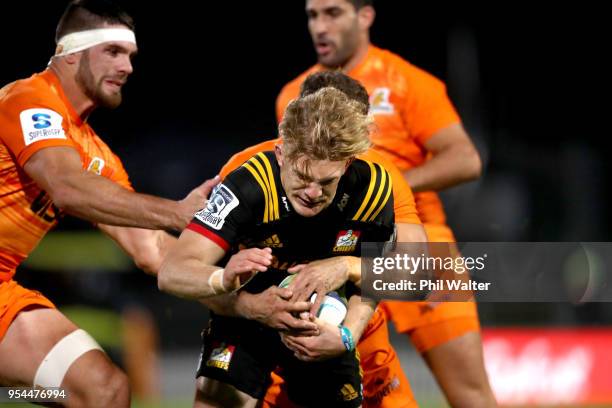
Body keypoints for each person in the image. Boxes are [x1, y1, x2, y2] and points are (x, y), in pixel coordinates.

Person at [275, 1, 496, 407]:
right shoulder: (294, 95)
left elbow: (465, 158)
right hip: (336, 252)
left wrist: (385, 192)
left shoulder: (408, 82)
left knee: (470, 395)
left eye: (332, 13)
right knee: (353, 394)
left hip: (421, 246)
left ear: (365, 16)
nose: (319, 26)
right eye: (311, 15)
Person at [0, 1, 215, 406]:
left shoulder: (95, 153)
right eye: (113, 52)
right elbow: (66, 186)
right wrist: (176, 211)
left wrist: (239, 295)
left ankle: (9, 394)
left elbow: (152, 249)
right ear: (70, 54)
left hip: (2, 287)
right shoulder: (29, 98)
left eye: (131, 56)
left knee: (102, 390)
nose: (128, 67)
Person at [159, 87, 407, 407]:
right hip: (243, 316)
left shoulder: (372, 190)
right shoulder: (249, 184)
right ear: (281, 155)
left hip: (321, 324)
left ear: (346, 167)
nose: (313, 193)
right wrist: (224, 280)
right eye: (303, 176)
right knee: (218, 396)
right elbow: (172, 271)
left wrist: (347, 333)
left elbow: (396, 275)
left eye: (327, 182)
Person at [217, 71, 426, 408]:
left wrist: (346, 268)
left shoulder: (379, 179)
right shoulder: (245, 171)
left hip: (355, 325)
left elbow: (419, 273)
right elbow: (195, 265)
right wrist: (248, 306)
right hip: (256, 330)